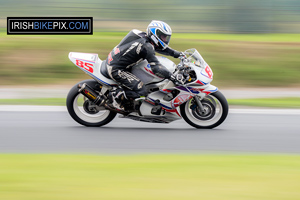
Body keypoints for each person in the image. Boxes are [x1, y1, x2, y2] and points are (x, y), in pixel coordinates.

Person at [105, 20, 184, 110]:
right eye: (163, 37)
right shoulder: (146, 46)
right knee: (142, 90)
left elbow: (160, 48)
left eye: (166, 37)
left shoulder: (143, 37)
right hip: (117, 69)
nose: (165, 40)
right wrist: (172, 77)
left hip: (118, 62)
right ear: (155, 34)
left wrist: (177, 54)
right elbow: (157, 68)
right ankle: (115, 95)